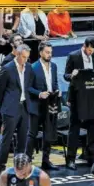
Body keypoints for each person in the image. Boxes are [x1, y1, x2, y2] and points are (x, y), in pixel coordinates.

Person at [64, 37, 94, 170]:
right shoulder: (73, 56)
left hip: (91, 96)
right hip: (77, 97)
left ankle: (90, 155)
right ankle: (70, 159)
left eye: (93, 50)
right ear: (84, 46)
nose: (91, 52)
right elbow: (65, 75)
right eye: (89, 49)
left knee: (92, 127)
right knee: (74, 128)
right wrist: (72, 75)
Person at [0, 45, 34, 174]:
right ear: (17, 55)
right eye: (23, 57)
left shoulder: (28, 67)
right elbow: (0, 91)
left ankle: (20, 165)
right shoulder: (7, 69)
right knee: (7, 139)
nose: (25, 60)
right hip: (10, 108)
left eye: (27, 57)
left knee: (23, 138)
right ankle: (1, 166)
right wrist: (4, 108)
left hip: (24, 106)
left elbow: (28, 85)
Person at [27, 42, 60, 171]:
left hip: (50, 104)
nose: (49, 55)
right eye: (47, 52)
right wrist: (39, 94)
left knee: (49, 133)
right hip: (37, 104)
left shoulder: (54, 66)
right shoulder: (33, 67)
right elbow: (28, 87)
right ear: (40, 53)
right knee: (32, 134)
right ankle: (28, 161)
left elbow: (55, 83)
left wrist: (57, 90)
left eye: (51, 52)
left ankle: (46, 160)